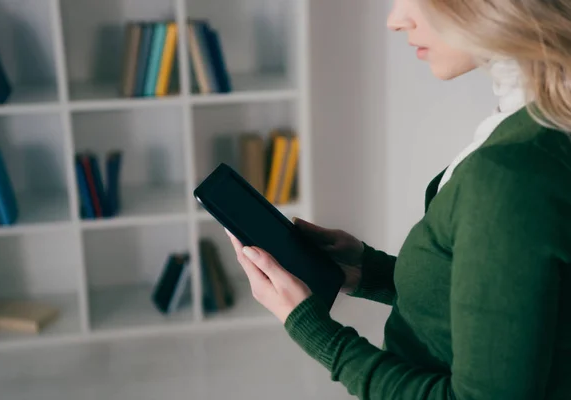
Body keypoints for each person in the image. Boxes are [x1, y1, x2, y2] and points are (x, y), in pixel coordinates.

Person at [226, 0, 571, 398]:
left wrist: (314, 331)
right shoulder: (534, 125)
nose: (395, 21)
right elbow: (515, 310)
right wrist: (368, 271)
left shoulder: (510, 174)